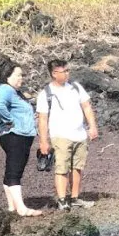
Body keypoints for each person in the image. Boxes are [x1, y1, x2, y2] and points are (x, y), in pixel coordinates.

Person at [36, 59, 98, 211]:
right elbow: (42, 119)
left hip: (80, 134)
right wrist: (43, 141)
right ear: (54, 74)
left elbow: (87, 107)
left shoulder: (76, 88)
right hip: (60, 135)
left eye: (67, 70)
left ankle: (75, 197)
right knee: (61, 168)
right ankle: (62, 199)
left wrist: (93, 127)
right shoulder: (46, 94)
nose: (67, 74)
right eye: (64, 71)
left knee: (77, 167)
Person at [0, 61, 42, 216]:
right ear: (8, 76)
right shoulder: (5, 89)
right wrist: (8, 120)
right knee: (15, 172)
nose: (22, 78)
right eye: (18, 75)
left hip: (19, 136)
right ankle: (21, 208)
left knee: (11, 171)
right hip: (15, 136)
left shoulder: (12, 91)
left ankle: (12, 207)